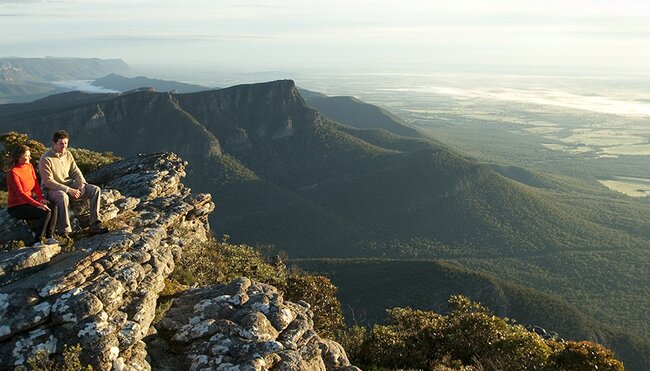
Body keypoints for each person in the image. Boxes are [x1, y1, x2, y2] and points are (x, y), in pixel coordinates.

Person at [39, 130, 108, 237]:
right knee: (63, 197)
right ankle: (64, 231)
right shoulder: (45, 159)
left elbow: (75, 171)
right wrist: (68, 190)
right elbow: (48, 182)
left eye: (66, 143)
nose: (64, 146)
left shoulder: (68, 154)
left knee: (95, 190)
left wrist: (82, 184)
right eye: (61, 143)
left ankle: (94, 224)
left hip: (69, 184)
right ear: (53, 143)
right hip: (52, 189)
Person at [5, 145, 59, 246]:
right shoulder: (13, 173)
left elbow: (36, 185)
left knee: (53, 207)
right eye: (27, 156)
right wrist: (37, 204)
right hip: (17, 207)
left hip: (29, 201)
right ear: (19, 156)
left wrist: (41, 199)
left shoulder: (29, 166)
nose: (29, 158)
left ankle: (49, 237)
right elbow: (20, 193)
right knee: (45, 212)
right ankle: (37, 241)